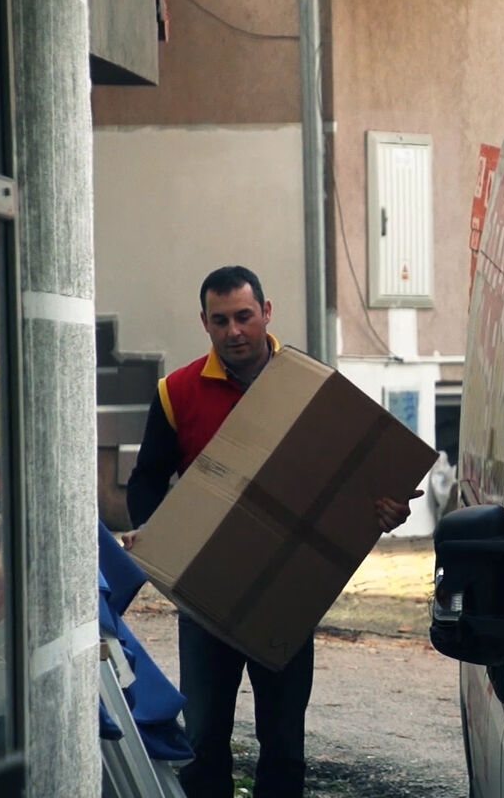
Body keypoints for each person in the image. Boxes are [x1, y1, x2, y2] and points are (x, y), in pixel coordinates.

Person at [122, 265, 420, 798]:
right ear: (204, 323)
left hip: (286, 593)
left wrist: (385, 512)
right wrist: (154, 534)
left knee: (283, 742)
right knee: (204, 739)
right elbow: (147, 480)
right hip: (205, 590)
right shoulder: (177, 391)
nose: (234, 331)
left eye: (243, 316)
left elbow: (351, 483)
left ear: (266, 312)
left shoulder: (311, 388)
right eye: (220, 320)